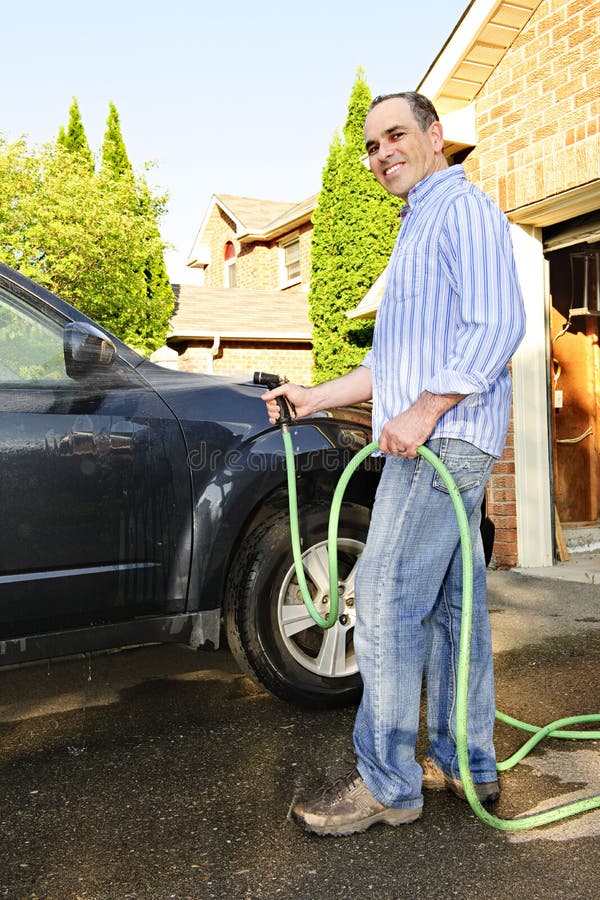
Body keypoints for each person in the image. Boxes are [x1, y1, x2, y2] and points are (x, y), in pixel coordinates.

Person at [262, 92, 526, 837]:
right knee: (450, 608)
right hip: (434, 435)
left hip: (442, 442)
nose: (382, 155)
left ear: (436, 137)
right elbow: (389, 365)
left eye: (396, 136)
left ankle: (387, 783)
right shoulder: (415, 231)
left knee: (378, 598)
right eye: (372, 146)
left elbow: (498, 324)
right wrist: (311, 397)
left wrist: (424, 411)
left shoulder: (462, 212)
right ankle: (464, 760)